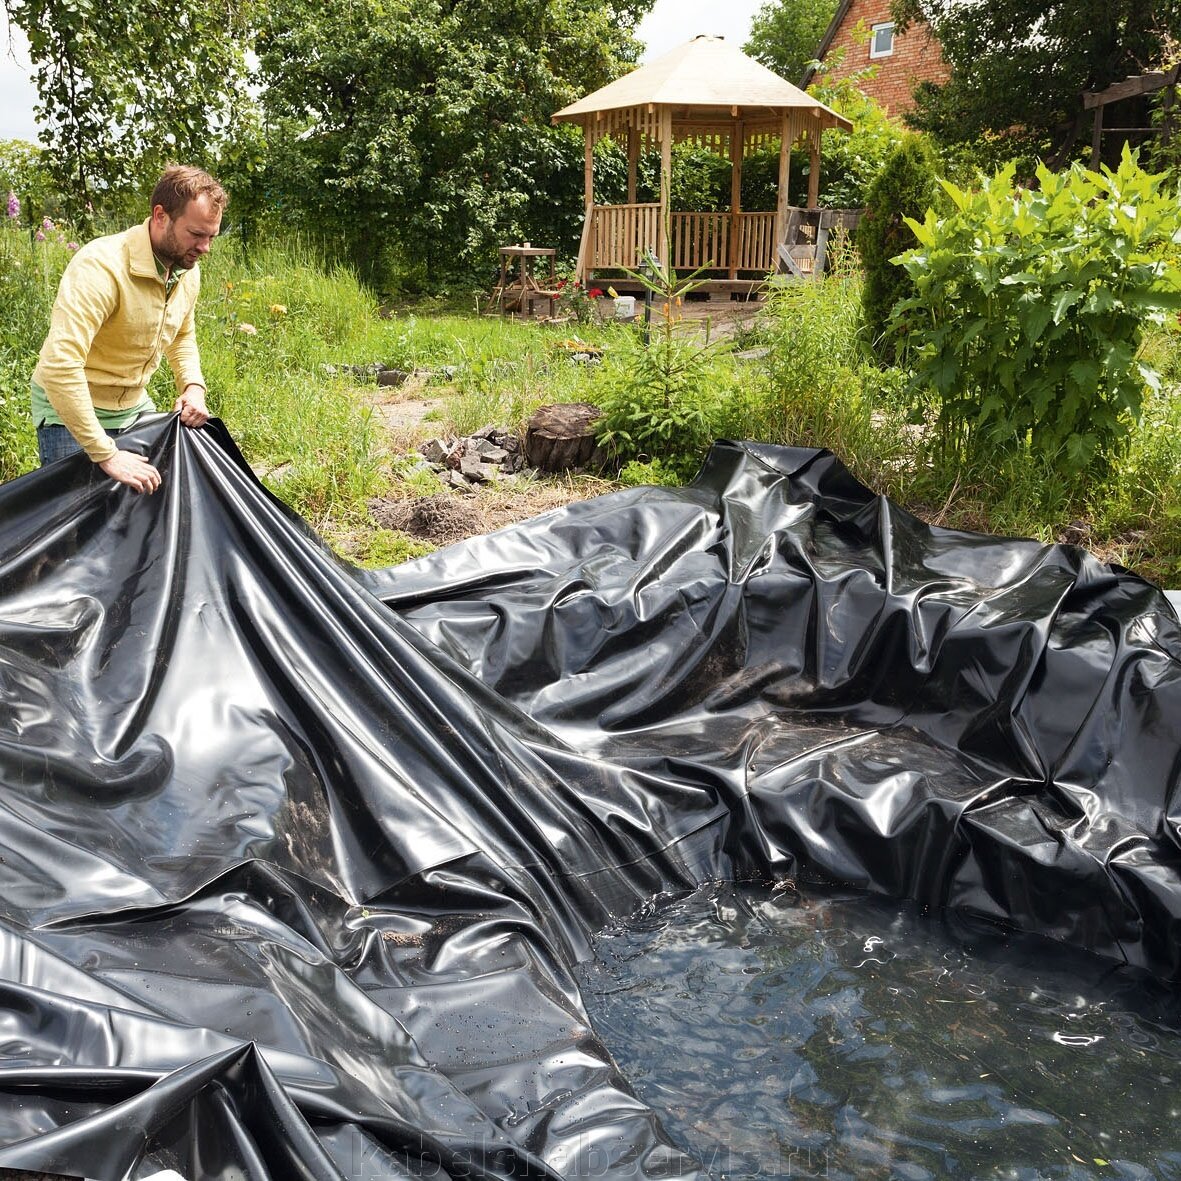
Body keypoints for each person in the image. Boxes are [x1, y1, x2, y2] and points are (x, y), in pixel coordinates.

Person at [31, 165, 227, 494]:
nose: (205, 247)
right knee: (74, 532)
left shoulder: (185, 268)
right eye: (196, 234)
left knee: (140, 516)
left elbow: (181, 336)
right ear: (161, 215)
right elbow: (59, 366)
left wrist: (193, 387)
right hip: (70, 414)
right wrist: (105, 453)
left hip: (133, 407)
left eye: (211, 236)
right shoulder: (102, 267)